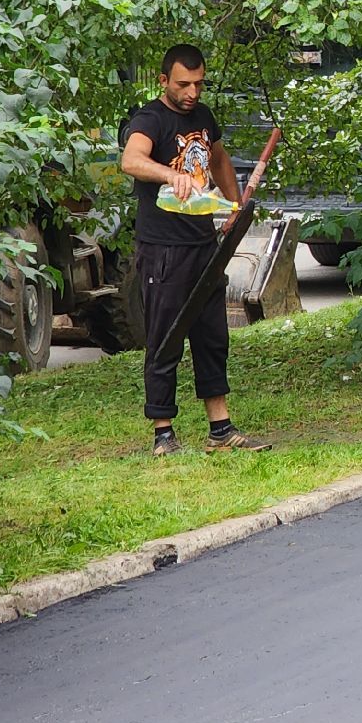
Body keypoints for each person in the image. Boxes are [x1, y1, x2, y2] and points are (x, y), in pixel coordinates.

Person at [119, 43, 270, 456]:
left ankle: (220, 429)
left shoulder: (203, 117)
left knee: (212, 335)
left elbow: (218, 159)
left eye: (199, 84)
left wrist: (234, 205)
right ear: (163, 80)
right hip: (163, 248)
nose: (192, 92)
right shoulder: (149, 118)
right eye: (183, 84)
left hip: (204, 243)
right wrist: (170, 175)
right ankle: (163, 433)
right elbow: (131, 161)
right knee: (164, 336)